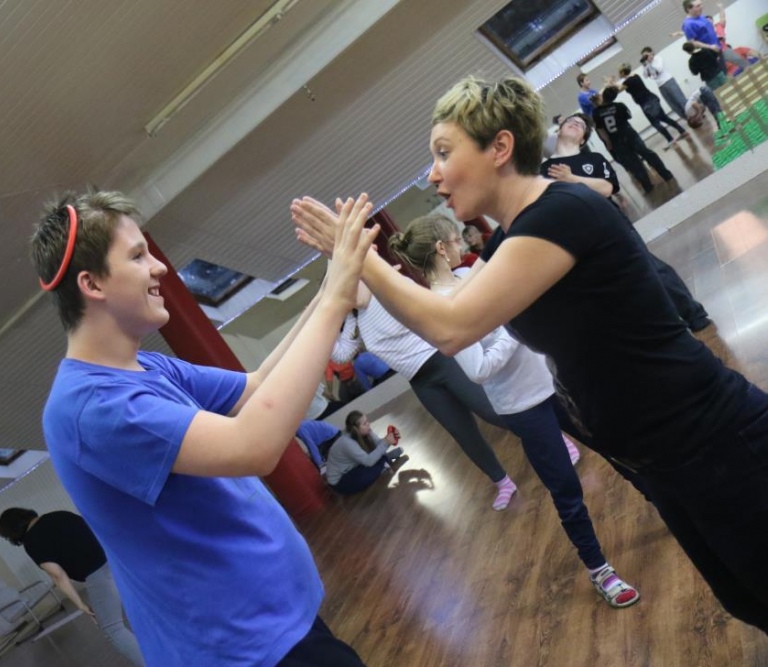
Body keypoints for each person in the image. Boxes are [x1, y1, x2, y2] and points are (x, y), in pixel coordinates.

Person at [292, 75, 768, 635]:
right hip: (662, 459)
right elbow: (448, 308)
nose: (433, 174)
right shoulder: (506, 243)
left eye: (444, 152)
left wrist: (359, 257)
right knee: (747, 600)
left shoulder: (561, 213)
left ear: (500, 147)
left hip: (712, 440)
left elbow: (451, 329)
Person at [31, 189, 367, 666]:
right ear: (92, 283)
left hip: (276, 624)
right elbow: (254, 446)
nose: (159, 267)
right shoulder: (90, 407)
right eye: (138, 256)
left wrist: (332, 281)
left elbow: (256, 386)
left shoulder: (146, 367)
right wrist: (336, 300)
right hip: (242, 650)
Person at [388, 213, 639, 608]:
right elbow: (478, 369)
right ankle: (599, 569)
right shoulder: (439, 307)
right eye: (455, 239)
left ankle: (671, 506)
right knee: (567, 492)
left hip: (555, 383)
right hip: (523, 408)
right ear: (440, 248)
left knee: (617, 447)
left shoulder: (470, 276)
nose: (462, 244)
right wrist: (511, 326)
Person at [332, 276, 519, 510]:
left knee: (491, 411)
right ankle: (503, 482)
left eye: (350, 285)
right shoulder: (355, 319)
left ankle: (552, 435)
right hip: (421, 382)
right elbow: (339, 355)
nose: (349, 294)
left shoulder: (387, 290)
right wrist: (328, 315)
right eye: (343, 292)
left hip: (443, 361)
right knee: (464, 433)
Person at [541, 112, 711, 331]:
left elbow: (607, 188)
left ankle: (693, 314)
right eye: (570, 122)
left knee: (648, 267)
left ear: (583, 140)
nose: (575, 124)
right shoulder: (543, 171)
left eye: (581, 125)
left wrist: (571, 179)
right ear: (558, 130)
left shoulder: (594, 160)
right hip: (576, 237)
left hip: (610, 224)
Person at [0, 508, 144, 666]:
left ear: (12, 531)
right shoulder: (61, 515)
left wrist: (80, 604)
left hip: (100, 576)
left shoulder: (32, 542)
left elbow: (58, 576)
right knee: (144, 612)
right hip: (120, 563)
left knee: (113, 629)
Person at [592, 86, 675, 194]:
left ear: (603, 97)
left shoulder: (596, 113)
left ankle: (647, 186)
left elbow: (601, 130)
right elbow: (629, 116)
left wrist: (608, 143)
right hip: (630, 135)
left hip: (616, 141)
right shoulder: (619, 106)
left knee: (634, 164)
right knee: (648, 154)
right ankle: (666, 175)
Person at [326, 410, 406, 494]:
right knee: (366, 474)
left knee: (375, 460)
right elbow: (369, 461)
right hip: (340, 481)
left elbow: (378, 445)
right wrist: (386, 442)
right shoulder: (347, 442)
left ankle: (384, 460)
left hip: (353, 467)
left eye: (367, 421)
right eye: (364, 423)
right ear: (355, 428)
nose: (368, 424)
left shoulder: (366, 431)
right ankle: (385, 459)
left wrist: (389, 438)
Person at [615, 63, 688, 147]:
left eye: (619, 72)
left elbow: (618, 90)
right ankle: (682, 130)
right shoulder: (636, 76)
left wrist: (611, 83)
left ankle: (670, 139)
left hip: (645, 104)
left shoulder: (627, 82)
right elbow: (622, 86)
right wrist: (613, 83)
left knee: (655, 123)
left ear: (623, 72)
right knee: (664, 118)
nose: (618, 74)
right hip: (652, 98)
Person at [679, 0, 747, 76]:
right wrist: (710, 46)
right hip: (711, 54)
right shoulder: (688, 25)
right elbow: (692, 43)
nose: (701, 7)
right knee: (725, 76)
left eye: (701, 4)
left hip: (720, 47)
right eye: (698, 6)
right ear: (689, 9)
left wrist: (721, 8)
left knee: (743, 62)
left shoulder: (701, 16)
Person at [641, 46, 689, 120]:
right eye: (644, 56)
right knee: (673, 105)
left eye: (646, 55)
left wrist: (650, 63)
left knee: (680, 100)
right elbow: (645, 76)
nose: (646, 57)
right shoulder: (647, 64)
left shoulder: (657, 58)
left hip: (668, 81)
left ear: (651, 53)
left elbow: (659, 69)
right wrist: (645, 65)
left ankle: (694, 115)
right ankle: (687, 118)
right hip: (661, 86)